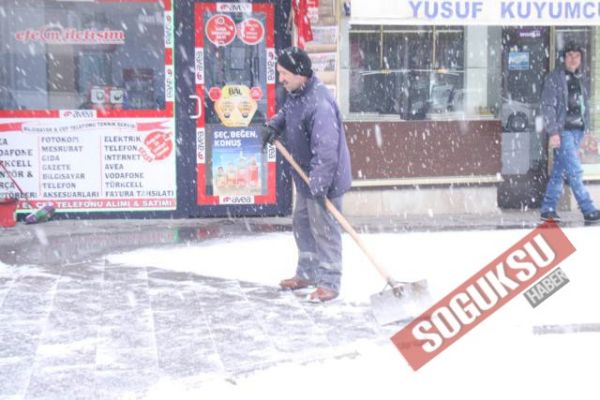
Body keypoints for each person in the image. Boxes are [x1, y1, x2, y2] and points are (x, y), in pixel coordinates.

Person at [262, 46, 352, 302]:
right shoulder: (298, 93)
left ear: (299, 73)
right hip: (306, 177)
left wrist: (319, 184)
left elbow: (326, 152)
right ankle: (307, 273)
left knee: (324, 230)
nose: (281, 79)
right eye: (279, 73)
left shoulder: (320, 103)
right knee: (302, 225)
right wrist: (273, 125)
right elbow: (288, 113)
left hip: (324, 180)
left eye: (284, 74)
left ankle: (330, 282)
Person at [540, 42, 600, 223]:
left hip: (577, 132)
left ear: (581, 59)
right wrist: (553, 132)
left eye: (577, 56)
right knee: (575, 172)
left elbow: (584, 107)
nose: (573, 60)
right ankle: (588, 209)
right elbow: (548, 106)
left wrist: (586, 130)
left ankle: (548, 208)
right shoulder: (554, 78)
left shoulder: (580, 78)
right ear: (564, 58)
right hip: (563, 131)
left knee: (560, 171)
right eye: (570, 56)